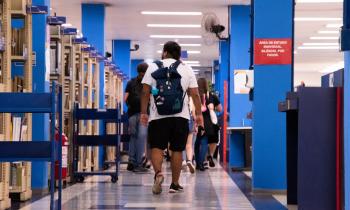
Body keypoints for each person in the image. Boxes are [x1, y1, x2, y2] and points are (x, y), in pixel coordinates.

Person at [140, 41, 204, 194]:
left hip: (157, 116)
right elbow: (194, 93)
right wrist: (199, 115)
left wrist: (144, 112)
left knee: (157, 147)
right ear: (179, 54)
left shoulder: (154, 67)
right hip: (180, 116)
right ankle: (175, 184)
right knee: (177, 149)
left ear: (165, 52)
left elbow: (145, 92)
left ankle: (159, 174)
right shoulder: (186, 68)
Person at [124, 62, 149, 173]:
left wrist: (129, 106)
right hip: (142, 114)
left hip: (133, 114)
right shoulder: (148, 83)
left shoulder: (130, 82)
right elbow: (154, 95)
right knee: (140, 137)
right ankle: (137, 163)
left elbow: (125, 98)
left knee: (135, 137)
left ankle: (132, 162)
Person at [195, 78, 218, 171]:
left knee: (196, 143)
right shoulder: (210, 96)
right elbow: (220, 109)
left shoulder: (195, 96)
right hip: (207, 122)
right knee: (204, 142)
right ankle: (200, 163)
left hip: (196, 120)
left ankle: (197, 162)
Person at [206, 90, 222, 168]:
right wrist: (213, 108)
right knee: (214, 139)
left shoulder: (197, 95)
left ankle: (201, 159)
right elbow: (220, 109)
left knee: (202, 140)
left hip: (201, 121)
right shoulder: (213, 96)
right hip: (212, 122)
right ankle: (211, 155)